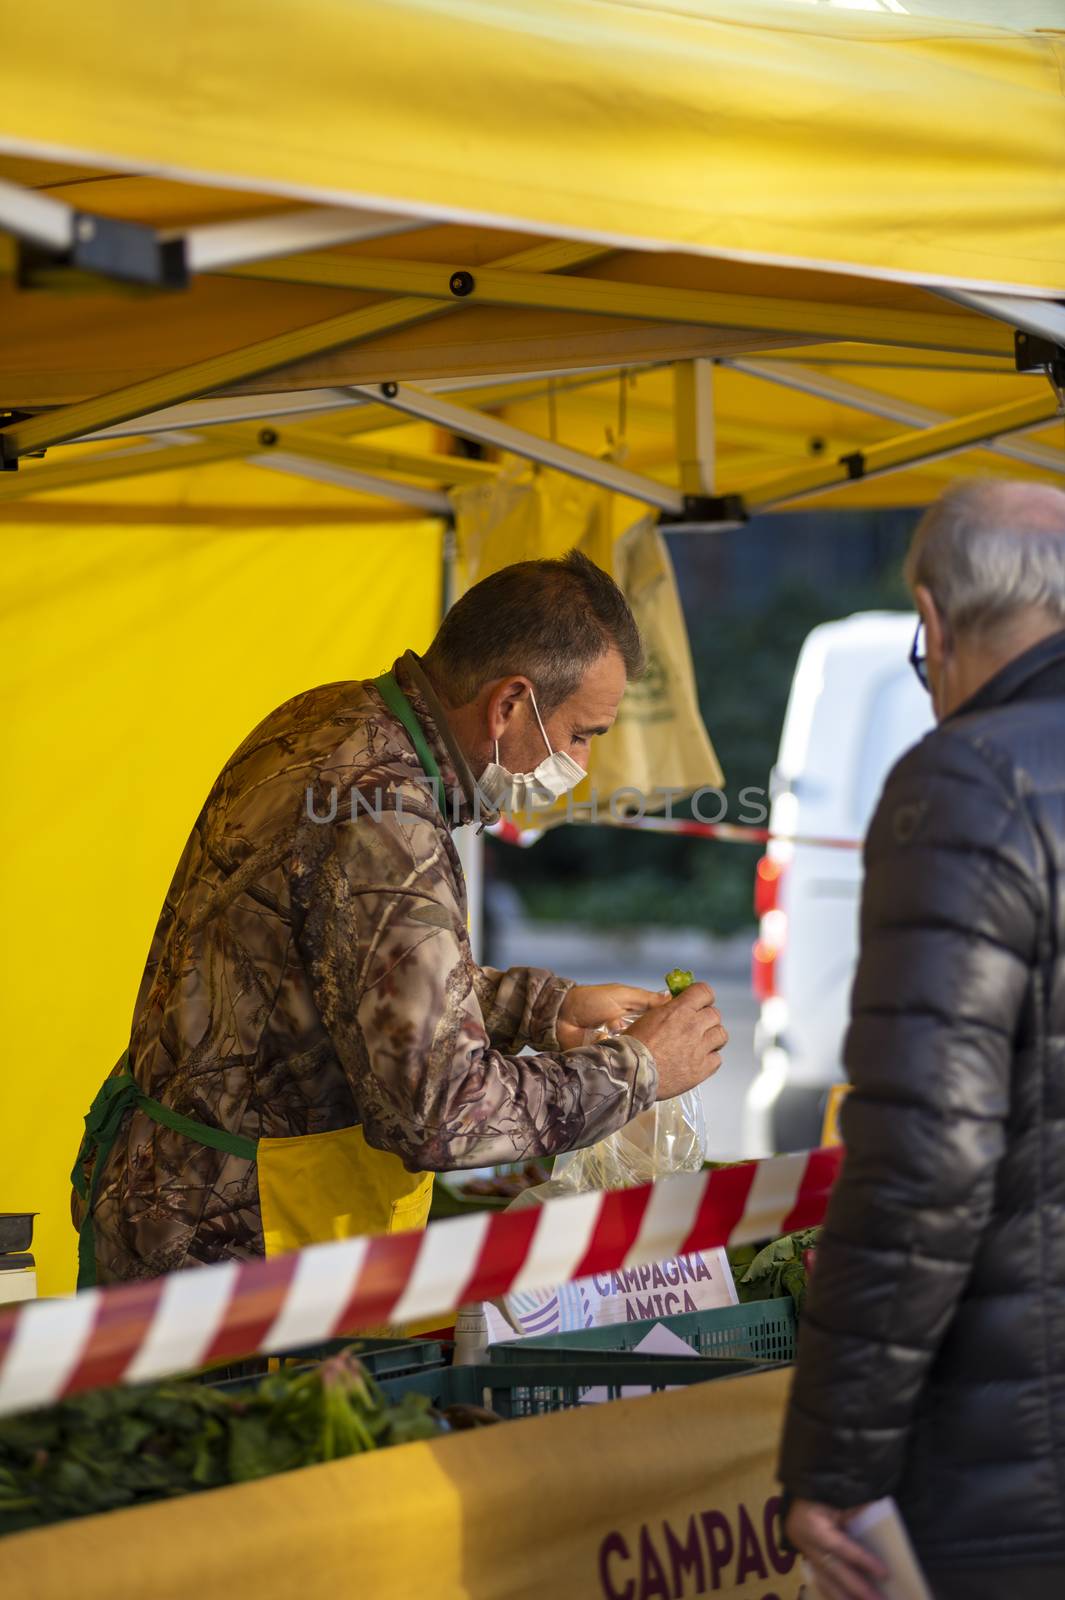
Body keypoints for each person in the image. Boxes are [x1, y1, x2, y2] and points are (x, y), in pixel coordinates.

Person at [72, 550, 727, 1284]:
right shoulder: (385, 815)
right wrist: (638, 1068)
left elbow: (350, 973)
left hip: (168, 1195)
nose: (581, 762)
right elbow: (440, 1112)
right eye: (581, 735)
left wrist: (545, 1007)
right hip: (233, 1242)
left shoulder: (328, 717)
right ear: (509, 704)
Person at [779, 479, 1065, 1600]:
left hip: (1017, 1473)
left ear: (934, 623)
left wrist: (832, 1464)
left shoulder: (967, 784)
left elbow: (922, 1168)